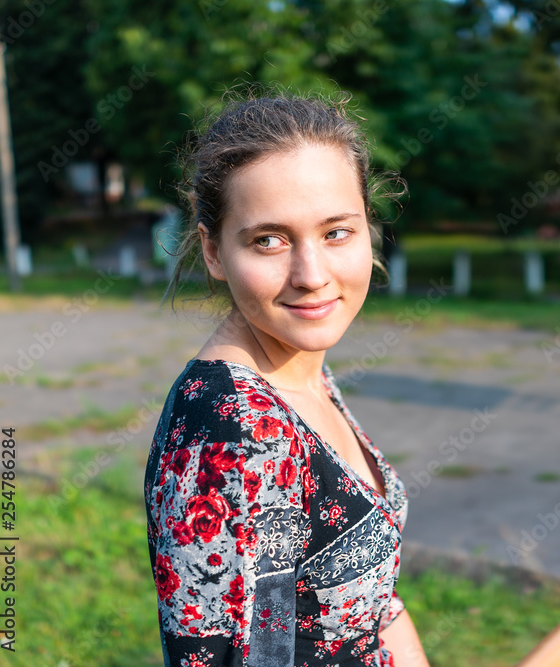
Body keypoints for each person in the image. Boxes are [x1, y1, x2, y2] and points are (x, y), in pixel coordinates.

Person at [145, 87, 430, 667]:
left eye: (336, 232)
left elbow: (367, 603)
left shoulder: (299, 373)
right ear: (214, 252)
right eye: (269, 240)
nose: (311, 274)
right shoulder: (236, 431)